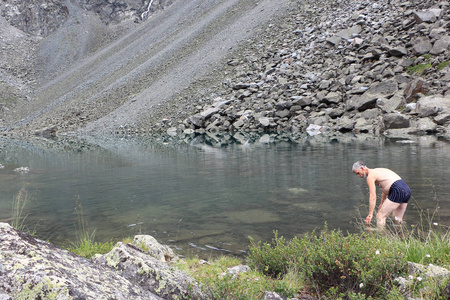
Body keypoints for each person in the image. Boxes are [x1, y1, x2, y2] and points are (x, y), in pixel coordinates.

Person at [352, 161, 411, 228]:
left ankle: (382, 237)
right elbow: (384, 188)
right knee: (397, 219)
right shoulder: (378, 170)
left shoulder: (370, 177)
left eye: (358, 173)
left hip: (397, 190)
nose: (359, 176)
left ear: (362, 168)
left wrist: (370, 214)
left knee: (380, 217)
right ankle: (401, 236)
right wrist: (382, 202)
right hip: (406, 190)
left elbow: (373, 196)